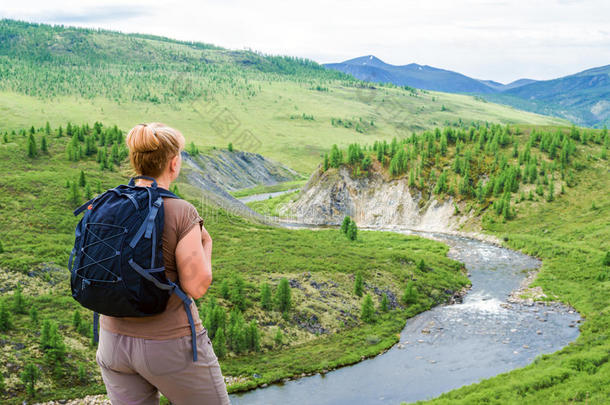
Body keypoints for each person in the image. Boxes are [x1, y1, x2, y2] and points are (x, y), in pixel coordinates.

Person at [96, 122, 230, 405]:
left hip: (111, 343)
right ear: (173, 163)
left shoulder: (108, 203)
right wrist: (207, 245)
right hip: (169, 345)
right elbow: (197, 284)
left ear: (136, 161)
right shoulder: (181, 212)